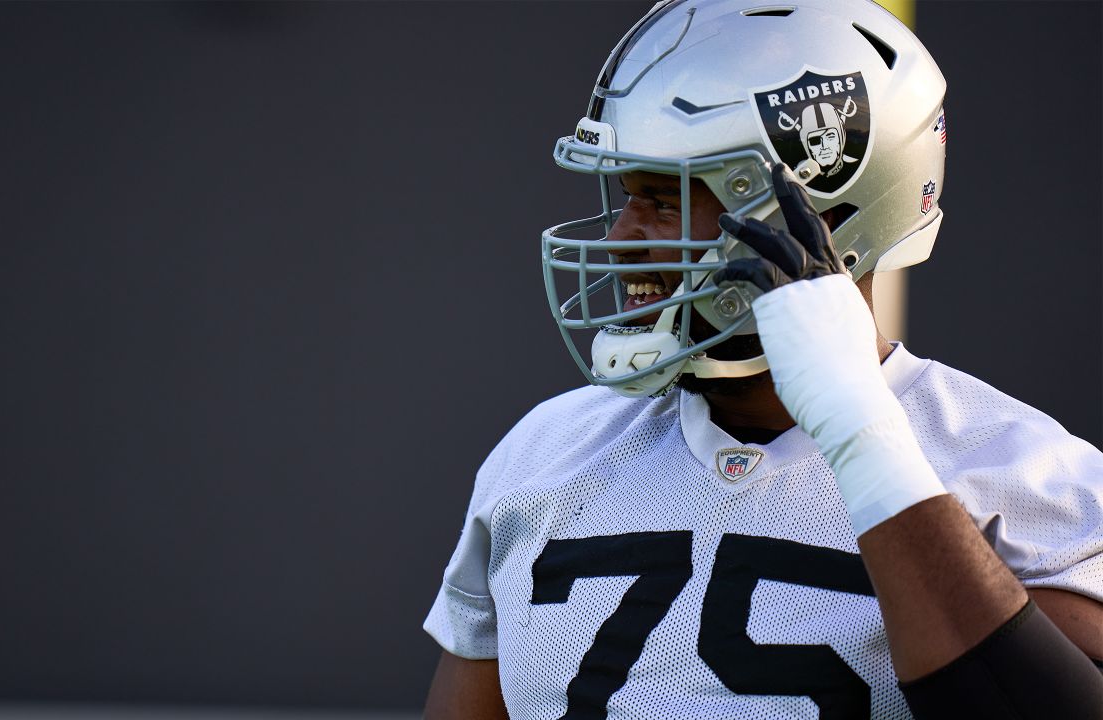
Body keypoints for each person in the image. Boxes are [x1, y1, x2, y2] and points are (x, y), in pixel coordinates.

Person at [421, 1, 1103, 718]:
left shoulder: (1028, 483)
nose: (621, 236)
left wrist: (860, 434)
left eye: (664, 197)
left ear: (818, 211)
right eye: (627, 194)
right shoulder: (545, 453)